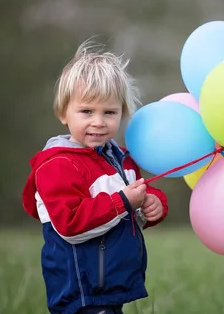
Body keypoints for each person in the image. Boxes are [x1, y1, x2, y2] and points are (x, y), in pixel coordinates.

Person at [22, 40, 169, 314]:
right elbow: (71, 223)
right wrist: (124, 201)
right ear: (63, 113)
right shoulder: (58, 165)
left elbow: (129, 207)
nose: (99, 121)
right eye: (87, 111)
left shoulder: (120, 157)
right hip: (81, 289)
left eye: (109, 112)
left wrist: (152, 204)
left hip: (109, 287)